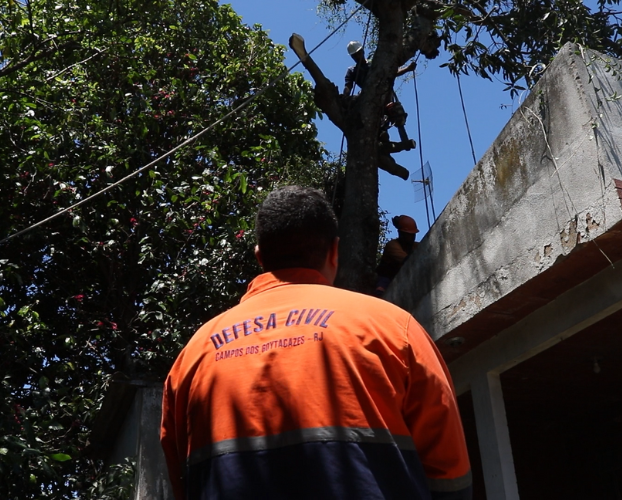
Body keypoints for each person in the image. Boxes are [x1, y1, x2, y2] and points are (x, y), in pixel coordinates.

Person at [160, 186, 472, 500]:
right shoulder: (395, 329)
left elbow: (182, 483)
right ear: (334, 252)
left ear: (259, 257)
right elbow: (450, 478)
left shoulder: (193, 356)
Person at [375, 214, 420, 295]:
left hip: (401, 277)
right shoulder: (392, 246)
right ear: (401, 233)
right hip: (386, 277)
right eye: (409, 235)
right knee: (380, 290)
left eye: (413, 234)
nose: (412, 237)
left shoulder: (415, 246)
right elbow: (407, 260)